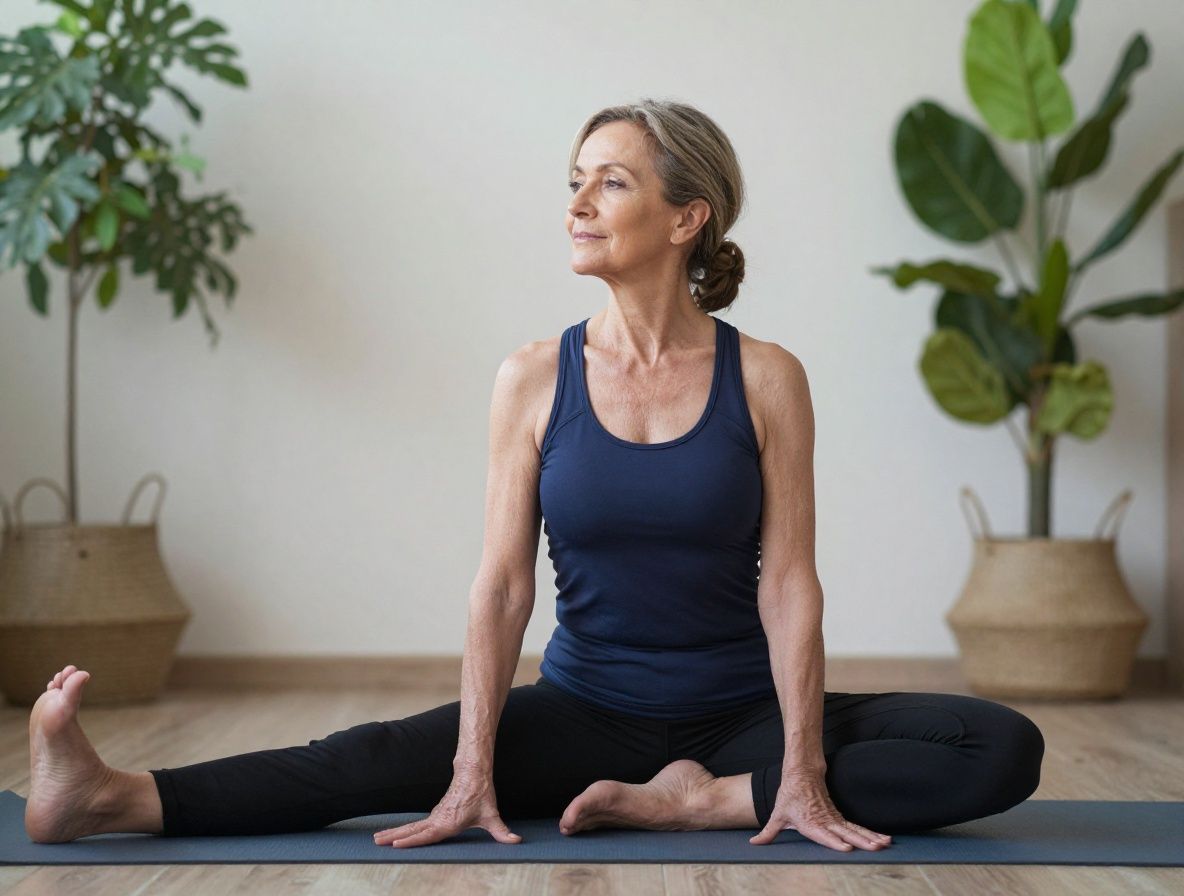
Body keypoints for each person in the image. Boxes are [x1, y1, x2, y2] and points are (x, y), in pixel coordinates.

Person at [24, 99, 1044, 852]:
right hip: (585, 707)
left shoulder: (766, 376)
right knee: (369, 757)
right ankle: (111, 795)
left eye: (609, 181)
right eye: (573, 180)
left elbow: (788, 582)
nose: (577, 204)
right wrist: (475, 764)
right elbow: (503, 584)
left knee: (995, 744)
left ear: (687, 216)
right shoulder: (532, 376)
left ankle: (706, 797)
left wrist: (801, 765)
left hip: (742, 712)